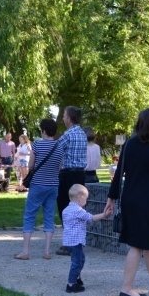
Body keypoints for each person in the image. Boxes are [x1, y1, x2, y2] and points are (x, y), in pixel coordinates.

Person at [104, 108, 149, 296]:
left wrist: (110, 199)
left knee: (148, 243)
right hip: (148, 201)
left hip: (130, 198)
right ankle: (126, 288)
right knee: (137, 246)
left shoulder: (129, 145)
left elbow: (118, 175)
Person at [14, 118, 64, 261]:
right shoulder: (59, 147)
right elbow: (59, 167)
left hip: (37, 185)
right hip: (53, 185)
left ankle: (25, 251)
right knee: (49, 217)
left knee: (30, 215)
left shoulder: (37, 145)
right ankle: (47, 251)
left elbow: (30, 166)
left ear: (44, 131)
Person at [62, 184, 112, 293]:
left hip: (68, 241)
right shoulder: (78, 210)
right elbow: (91, 218)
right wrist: (105, 214)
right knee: (77, 262)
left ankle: (77, 278)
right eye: (86, 199)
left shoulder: (66, 209)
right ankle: (71, 284)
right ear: (80, 198)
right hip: (75, 242)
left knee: (80, 259)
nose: (86, 201)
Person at [55, 106, 87, 256]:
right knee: (78, 207)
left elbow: (55, 150)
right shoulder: (82, 134)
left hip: (68, 174)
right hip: (80, 175)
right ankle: (78, 240)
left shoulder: (68, 135)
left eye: (64, 116)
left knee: (65, 207)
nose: (62, 118)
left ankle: (69, 243)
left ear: (69, 118)